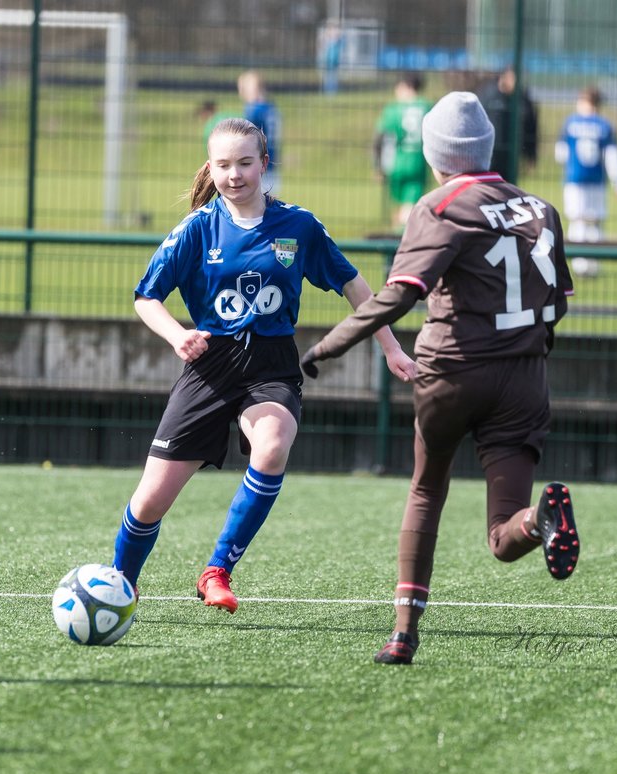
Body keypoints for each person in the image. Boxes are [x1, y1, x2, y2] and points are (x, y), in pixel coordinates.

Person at [300, 92, 578, 665]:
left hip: (453, 372)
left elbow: (402, 294)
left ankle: (403, 633)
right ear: (488, 148)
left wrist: (324, 348)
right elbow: (559, 302)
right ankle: (540, 518)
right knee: (504, 536)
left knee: (427, 489)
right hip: (524, 379)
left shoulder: (440, 205)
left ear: (436, 154)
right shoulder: (540, 208)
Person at [110, 117, 416, 613]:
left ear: (264, 164)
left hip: (272, 365)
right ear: (211, 168)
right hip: (209, 366)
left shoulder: (298, 226)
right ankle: (121, 581)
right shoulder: (196, 229)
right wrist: (178, 335)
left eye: (246, 163)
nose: (235, 175)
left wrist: (392, 347)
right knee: (149, 502)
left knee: (272, 447)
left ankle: (216, 571)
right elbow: (146, 297)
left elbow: (355, 287)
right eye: (225, 165)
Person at [554, 86, 617, 277]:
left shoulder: (570, 123)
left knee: (577, 221)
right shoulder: (605, 126)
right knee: (595, 223)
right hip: (597, 181)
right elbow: (612, 157)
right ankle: (593, 265)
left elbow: (560, 154)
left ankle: (579, 266)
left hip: (574, 180)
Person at [373, 73, 433, 228]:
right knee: (409, 208)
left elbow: (379, 138)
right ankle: (401, 240)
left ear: (405, 86)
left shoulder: (392, 109)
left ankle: (396, 241)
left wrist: (378, 166)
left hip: (395, 163)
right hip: (417, 162)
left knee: (399, 207)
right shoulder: (427, 107)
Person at [476, 68, 537, 180]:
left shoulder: (523, 99)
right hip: (490, 154)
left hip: (511, 156)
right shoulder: (487, 95)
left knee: (508, 189)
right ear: (504, 78)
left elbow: (531, 127)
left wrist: (531, 155)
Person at [237, 71, 281, 194]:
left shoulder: (253, 109)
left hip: (256, 166)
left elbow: (245, 136)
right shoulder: (271, 107)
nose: (241, 93)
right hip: (272, 163)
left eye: (242, 88)